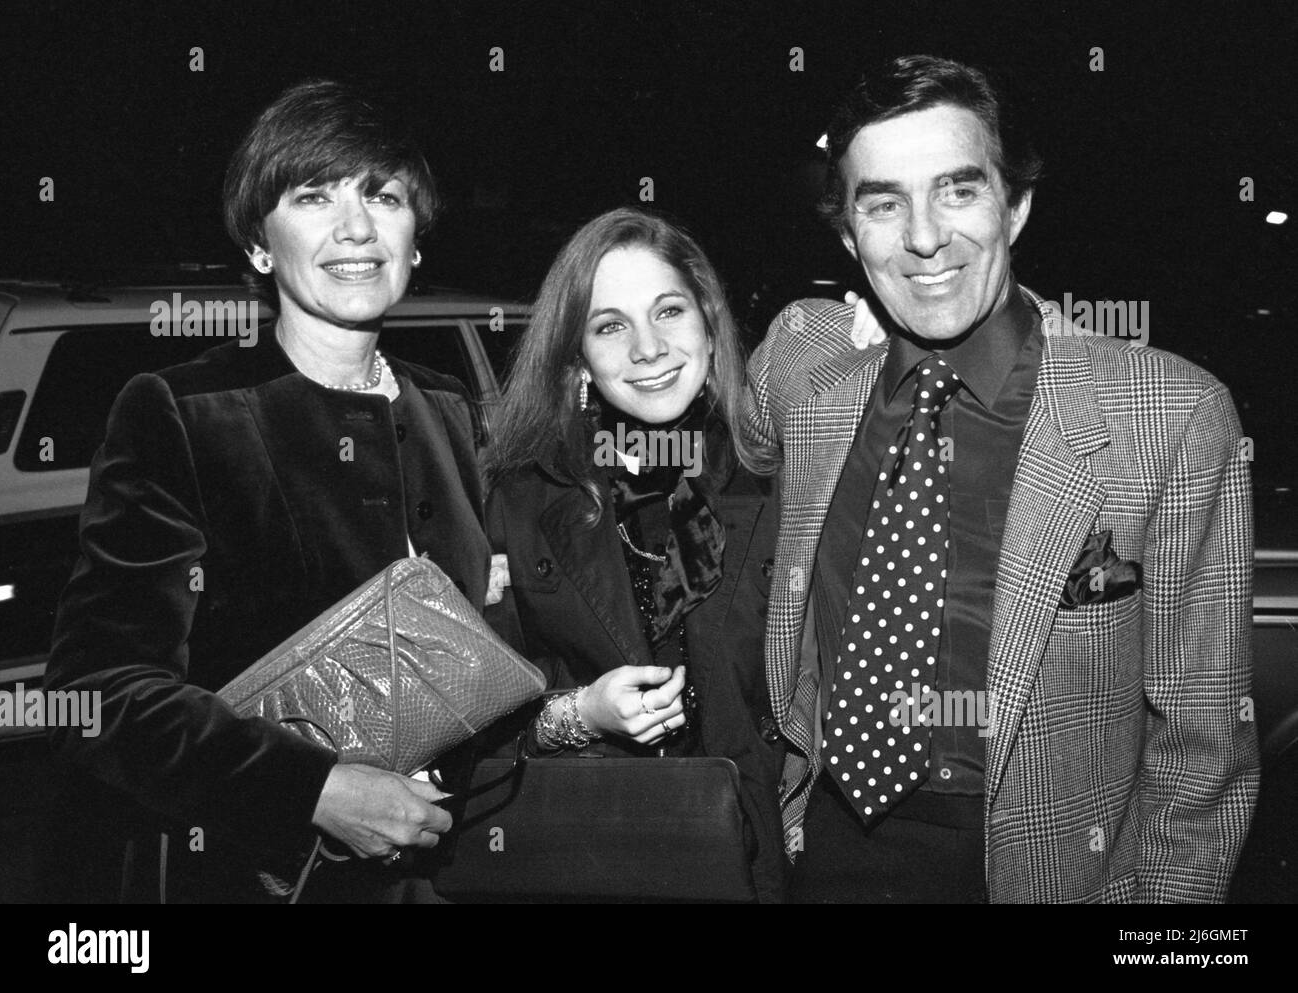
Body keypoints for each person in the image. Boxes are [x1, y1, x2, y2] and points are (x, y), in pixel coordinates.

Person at [743, 55, 1258, 902]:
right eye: (883, 203)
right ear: (848, 236)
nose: (922, 237)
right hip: (825, 843)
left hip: (1047, 868)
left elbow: (1203, 752)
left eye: (957, 190)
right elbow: (724, 427)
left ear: (1014, 206)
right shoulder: (806, 364)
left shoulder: (1170, 414)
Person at [44, 80, 486, 902]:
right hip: (253, 878)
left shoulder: (455, 415)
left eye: (382, 196)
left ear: (416, 239)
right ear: (258, 244)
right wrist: (313, 790)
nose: (356, 227)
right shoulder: (182, 414)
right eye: (314, 196)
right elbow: (96, 692)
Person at [483, 207, 788, 901]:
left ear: (710, 322)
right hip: (599, 861)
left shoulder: (783, 472)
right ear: (577, 357)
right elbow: (477, 724)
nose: (647, 348)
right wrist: (580, 713)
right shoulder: (521, 499)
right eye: (611, 325)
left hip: (769, 865)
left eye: (670, 311)